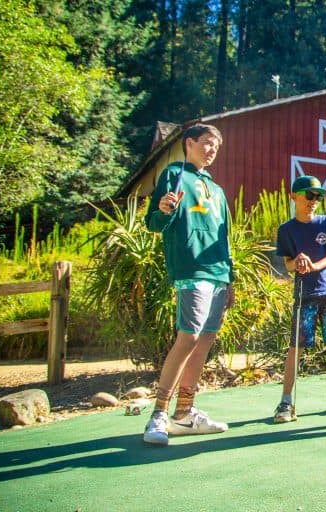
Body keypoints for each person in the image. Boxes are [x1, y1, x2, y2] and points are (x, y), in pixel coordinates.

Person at [142, 123, 233, 445]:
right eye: (206, 143)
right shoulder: (174, 174)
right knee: (189, 335)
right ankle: (159, 414)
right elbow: (155, 221)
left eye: (216, 147)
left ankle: (185, 413)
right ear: (189, 143)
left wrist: (230, 279)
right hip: (191, 268)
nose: (211, 150)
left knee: (205, 340)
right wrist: (165, 210)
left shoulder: (218, 190)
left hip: (218, 272)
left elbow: (225, 237)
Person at [272, 175, 326, 422]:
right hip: (304, 296)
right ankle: (286, 402)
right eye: (309, 195)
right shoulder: (286, 230)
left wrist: (314, 266)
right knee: (296, 347)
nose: (314, 201)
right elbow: (288, 264)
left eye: (318, 196)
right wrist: (298, 263)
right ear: (294, 197)